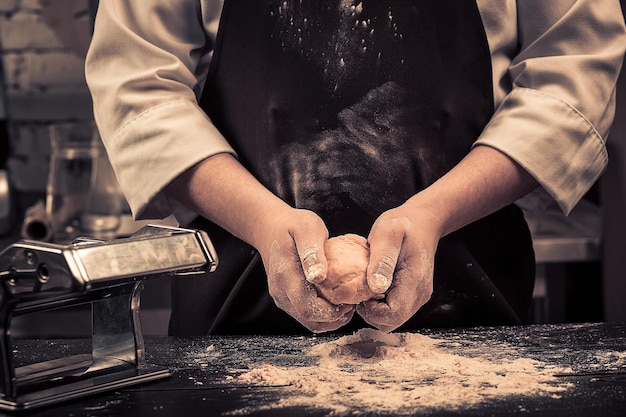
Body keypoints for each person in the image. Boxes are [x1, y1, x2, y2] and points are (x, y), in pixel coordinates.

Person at [85, 0, 626, 335]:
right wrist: (264, 222)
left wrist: (433, 214)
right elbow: (137, 84)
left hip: (467, 287)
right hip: (236, 296)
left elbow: (570, 78)